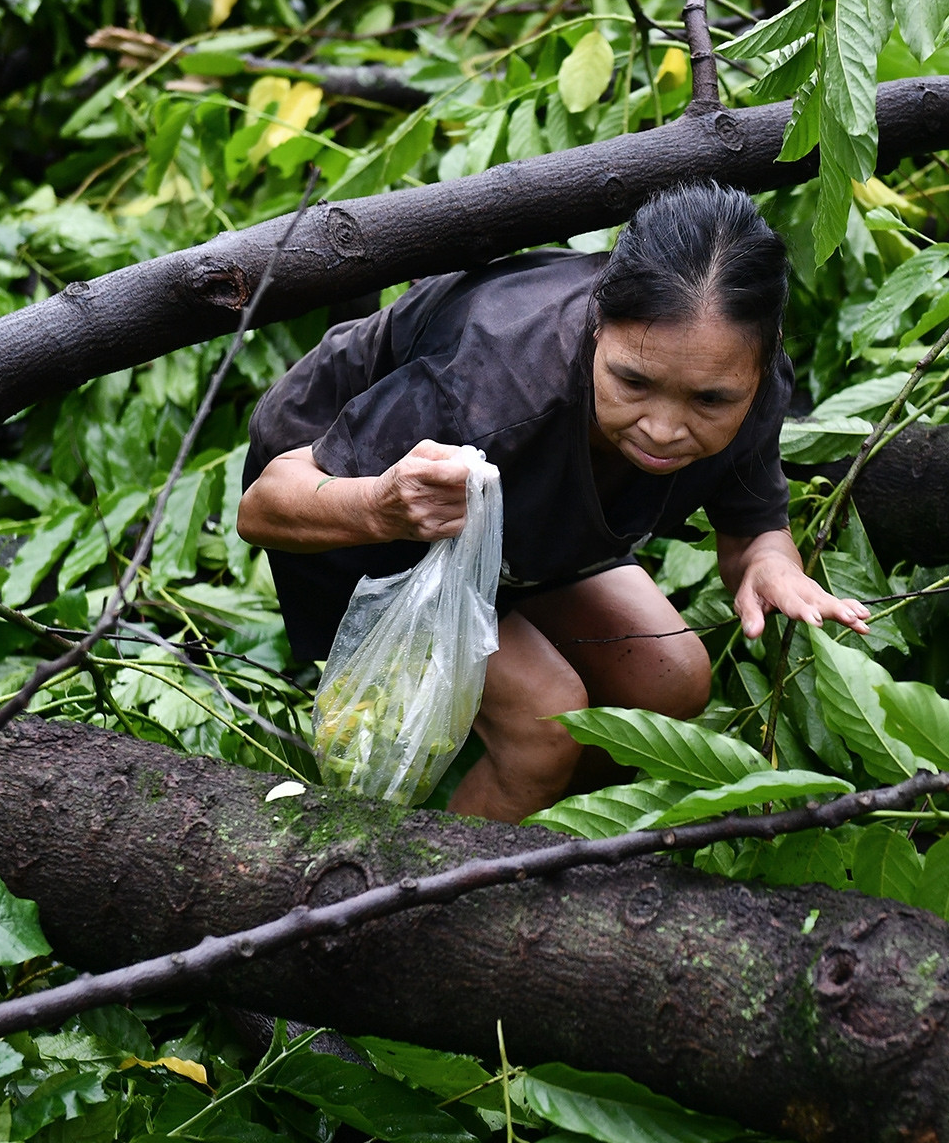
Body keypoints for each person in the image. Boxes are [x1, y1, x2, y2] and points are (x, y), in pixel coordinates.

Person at [238, 182, 870, 823]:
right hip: (358, 513)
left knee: (672, 683)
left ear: (757, 371)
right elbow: (265, 508)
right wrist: (381, 504)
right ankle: (423, 884)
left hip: (513, 527)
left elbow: (755, 530)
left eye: (709, 400)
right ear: (598, 327)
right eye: (634, 382)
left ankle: (529, 817)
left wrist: (773, 565)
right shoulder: (490, 388)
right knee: (545, 728)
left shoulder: (747, 380)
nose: (664, 428)